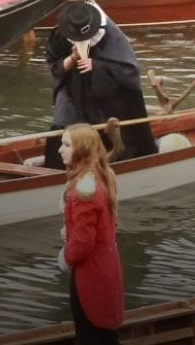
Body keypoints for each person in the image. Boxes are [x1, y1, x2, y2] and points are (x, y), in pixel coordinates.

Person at [44, 0, 157, 168]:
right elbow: (54, 65)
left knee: (109, 127)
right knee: (62, 125)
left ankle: (120, 165)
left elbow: (130, 72)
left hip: (110, 93)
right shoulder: (62, 33)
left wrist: (96, 66)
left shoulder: (111, 35)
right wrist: (72, 58)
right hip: (73, 89)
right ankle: (59, 170)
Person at [58, 123, 124, 345]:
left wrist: (64, 258)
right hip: (106, 266)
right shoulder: (101, 175)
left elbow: (84, 242)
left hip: (91, 273)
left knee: (91, 337)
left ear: (82, 150)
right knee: (103, 335)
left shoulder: (84, 188)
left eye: (66, 145)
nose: (60, 150)